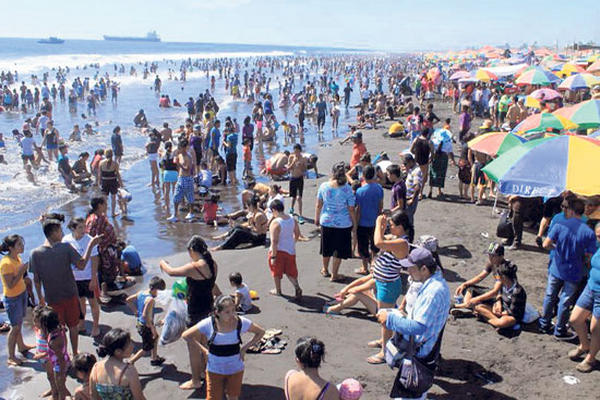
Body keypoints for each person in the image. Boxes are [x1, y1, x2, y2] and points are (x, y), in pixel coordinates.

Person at [376, 247, 450, 400]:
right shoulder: (433, 282)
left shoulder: (433, 292)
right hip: (424, 351)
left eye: (411, 268)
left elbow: (418, 327)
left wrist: (389, 319)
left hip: (420, 355)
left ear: (424, 269)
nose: (408, 271)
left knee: (409, 394)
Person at [31, 215, 101, 356]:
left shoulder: (35, 254)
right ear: (55, 232)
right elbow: (81, 265)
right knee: (73, 327)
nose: (62, 233)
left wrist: (41, 299)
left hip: (51, 299)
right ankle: (75, 353)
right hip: (70, 295)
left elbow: (36, 280)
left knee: (58, 330)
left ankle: (63, 354)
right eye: (60, 231)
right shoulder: (65, 248)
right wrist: (91, 245)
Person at [159, 235, 220, 390]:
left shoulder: (195, 267)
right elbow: (211, 285)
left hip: (195, 312)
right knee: (205, 344)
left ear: (192, 250)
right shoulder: (213, 265)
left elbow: (172, 272)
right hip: (209, 309)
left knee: (193, 348)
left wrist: (162, 263)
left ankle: (195, 380)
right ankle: (207, 373)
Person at [180, 295, 265, 399]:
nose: (232, 315)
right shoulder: (209, 323)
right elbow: (186, 335)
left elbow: (260, 332)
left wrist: (244, 349)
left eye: (233, 310)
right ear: (217, 312)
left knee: (233, 396)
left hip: (235, 369)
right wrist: (204, 351)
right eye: (227, 312)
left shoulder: (240, 322)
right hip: (215, 370)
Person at [540, 197, 597, 340]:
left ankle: (544, 324)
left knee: (550, 295)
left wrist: (557, 249)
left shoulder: (560, 224)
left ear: (571, 210)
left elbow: (546, 244)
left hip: (557, 267)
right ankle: (559, 330)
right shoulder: (589, 232)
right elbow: (589, 257)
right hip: (574, 271)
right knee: (565, 301)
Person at [365, 211, 411, 365]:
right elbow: (381, 239)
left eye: (392, 226)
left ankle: (385, 352)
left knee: (386, 319)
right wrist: (383, 227)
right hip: (383, 282)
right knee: (383, 316)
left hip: (388, 285)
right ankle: (385, 339)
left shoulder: (402, 243)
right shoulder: (395, 238)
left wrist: (378, 224)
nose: (390, 229)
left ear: (400, 227)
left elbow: (378, 243)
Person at [315, 162, 357, 282]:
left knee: (326, 247)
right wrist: (354, 223)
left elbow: (319, 204)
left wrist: (317, 218)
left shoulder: (324, 186)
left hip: (326, 220)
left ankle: (325, 269)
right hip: (343, 223)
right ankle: (335, 274)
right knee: (338, 250)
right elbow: (351, 209)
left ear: (332, 172)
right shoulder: (347, 189)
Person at [568, 222, 600, 372]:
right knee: (575, 319)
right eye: (598, 236)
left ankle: (591, 358)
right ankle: (584, 345)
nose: (598, 239)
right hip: (590, 288)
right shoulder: (598, 245)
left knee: (595, 328)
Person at [63, 218, 101, 337]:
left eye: (84, 226)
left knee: (93, 302)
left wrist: (94, 278)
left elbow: (95, 259)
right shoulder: (66, 240)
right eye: (80, 227)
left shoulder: (90, 240)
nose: (84, 229)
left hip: (87, 276)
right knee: (80, 303)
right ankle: (82, 323)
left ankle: (95, 326)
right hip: (74, 278)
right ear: (73, 229)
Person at [1, 234, 34, 366]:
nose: (22, 246)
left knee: (19, 323)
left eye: (22, 243)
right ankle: (11, 356)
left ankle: (21, 346)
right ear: (11, 248)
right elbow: (10, 284)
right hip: (12, 298)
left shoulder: (17, 258)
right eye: (19, 244)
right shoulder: (6, 263)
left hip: (21, 294)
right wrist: (21, 271)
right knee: (14, 327)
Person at [452, 243, 506, 316]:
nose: (490, 258)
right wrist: (465, 284)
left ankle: (465, 306)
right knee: (468, 288)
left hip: (503, 297)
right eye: (489, 255)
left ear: (501, 256)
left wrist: (477, 299)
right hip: (495, 293)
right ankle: (468, 307)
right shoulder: (492, 263)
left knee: (495, 310)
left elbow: (496, 291)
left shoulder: (504, 268)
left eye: (493, 256)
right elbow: (480, 277)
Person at [90, 328, 146, 399]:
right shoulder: (129, 371)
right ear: (118, 351)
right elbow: (139, 398)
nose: (132, 345)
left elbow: (93, 395)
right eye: (129, 343)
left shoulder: (96, 367)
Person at [85, 197, 123, 301]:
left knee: (107, 269)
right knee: (104, 271)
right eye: (105, 203)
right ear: (100, 205)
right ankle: (104, 291)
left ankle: (107, 287)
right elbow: (92, 236)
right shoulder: (96, 219)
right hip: (102, 250)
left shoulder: (97, 217)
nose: (107, 205)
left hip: (106, 248)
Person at [474, 261, 527, 330]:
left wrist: (501, 313)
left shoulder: (517, 292)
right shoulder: (503, 284)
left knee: (502, 322)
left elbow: (513, 312)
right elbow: (499, 294)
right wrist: (498, 303)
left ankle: (489, 319)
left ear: (504, 277)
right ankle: (494, 322)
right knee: (478, 307)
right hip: (501, 308)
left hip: (510, 315)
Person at [126, 276, 166, 365]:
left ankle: (154, 358)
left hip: (139, 323)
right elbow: (145, 316)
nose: (158, 294)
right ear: (155, 289)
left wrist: (135, 311)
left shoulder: (141, 293)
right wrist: (152, 329)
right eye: (158, 291)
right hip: (146, 326)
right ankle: (130, 361)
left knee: (155, 338)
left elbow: (128, 300)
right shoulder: (150, 300)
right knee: (146, 347)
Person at [268, 199, 303, 299]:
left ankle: (278, 290)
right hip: (290, 249)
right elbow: (297, 234)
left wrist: (273, 256)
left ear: (274, 210)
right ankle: (296, 286)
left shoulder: (276, 223)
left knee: (276, 271)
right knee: (290, 271)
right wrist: (293, 242)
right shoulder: (292, 219)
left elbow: (274, 241)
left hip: (278, 251)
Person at [354, 165, 384, 275]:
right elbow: (380, 205)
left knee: (363, 246)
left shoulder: (360, 191)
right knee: (374, 245)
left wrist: (355, 224)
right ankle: (374, 265)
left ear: (363, 176)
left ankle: (364, 267)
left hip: (363, 222)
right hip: (374, 221)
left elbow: (358, 210)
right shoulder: (379, 188)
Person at [39, 306, 71, 400]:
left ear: (45, 325)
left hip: (59, 365)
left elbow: (60, 359)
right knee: (61, 385)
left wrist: (61, 373)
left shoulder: (53, 341)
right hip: (63, 360)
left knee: (60, 388)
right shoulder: (60, 329)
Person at [168, 138, 195, 222]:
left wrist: (179, 164)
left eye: (180, 148)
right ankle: (175, 214)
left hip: (187, 178)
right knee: (176, 197)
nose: (179, 149)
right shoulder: (179, 155)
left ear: (185, 148)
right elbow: (178, 167)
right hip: (180, 178)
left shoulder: (188, 157)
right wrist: (176, 163)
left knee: (189, 197)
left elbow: (188, 169)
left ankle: (191, 212)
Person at [97, 149, 124, 217]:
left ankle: (105, 214)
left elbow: (100, 174)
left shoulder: (101, 162)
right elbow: (118, 174)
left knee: (105, 199)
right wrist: (121, 183)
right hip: (113, 182)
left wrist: (99, 182)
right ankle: (112, 213)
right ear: (112, 155)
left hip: (104, 182)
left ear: (105, 155)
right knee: (113, 198)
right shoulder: (115, 163)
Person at [402, 154, 422, 242]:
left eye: (405, 164)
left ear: (411, 162)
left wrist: (412, 199)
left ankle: (409, 241)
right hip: (407, 198)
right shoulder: (411, 169)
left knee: (409, 223)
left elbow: (417, 187)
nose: (405, 165)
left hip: (410, 199)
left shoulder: (416, 171)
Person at [409, 129, 432, 200]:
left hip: (417, 160)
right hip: (425, 161)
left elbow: (411, 150)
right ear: (427, 134)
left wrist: (415, 153)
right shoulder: (429, 142)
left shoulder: (416, 139)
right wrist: (430, 159)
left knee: (415, 176)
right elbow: (432, 152)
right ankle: (420, 193)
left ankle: (413, 191)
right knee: (423, 178)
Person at [287, 143, 307, 224]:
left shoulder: (303, 158)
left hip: (299, 178)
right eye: (295, 151)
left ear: (300, 151)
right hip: (292, 178)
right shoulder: (291, 157)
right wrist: (293, 162)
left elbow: (305, 170)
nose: (296, 153)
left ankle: (300, 215)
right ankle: (291, 208)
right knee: (293, 197)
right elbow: (288, 169)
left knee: (299, 198)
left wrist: (301, 165)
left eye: (297, 151)